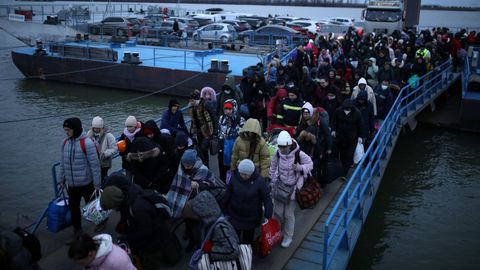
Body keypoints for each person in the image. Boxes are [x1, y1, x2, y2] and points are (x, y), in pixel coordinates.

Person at [101, 174, 181, 269]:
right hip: (155, 235)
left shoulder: (137, 208)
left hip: (153, 241)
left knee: (151, 263)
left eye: (112, 207)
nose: (113, 210)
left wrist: (127, 237)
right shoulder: (130, 195)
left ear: (115, 203)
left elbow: (146, 232)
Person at [166, 149, 217, 251]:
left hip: (197, 201)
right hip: (184, 202)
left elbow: (212, 183)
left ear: (194, 163)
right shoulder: (181, 167)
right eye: (185, 164)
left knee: (196, 226)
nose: (186, 167)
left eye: (189, 165)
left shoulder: (202, 169)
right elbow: (178, 183)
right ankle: (192, 243)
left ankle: (199, 246)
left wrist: (199, 185)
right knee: (188, 223)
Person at [269, 131, 313, 248]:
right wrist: (273, 181)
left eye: (283, 147)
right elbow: (272, 167)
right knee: (277, 212)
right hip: (280, 186)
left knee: (288, 214)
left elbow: (310, 164)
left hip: (293, 188)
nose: (281, 149)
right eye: (280, 146)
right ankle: (277, 232)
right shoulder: (277, 154)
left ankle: (288, 236)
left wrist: (299, 167)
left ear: (289, 144)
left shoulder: (299, 154)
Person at [60, 117, 101, 242]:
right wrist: (61, 179)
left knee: (93, 207)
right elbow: (63, 163)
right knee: (74, 209)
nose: (66, 132)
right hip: (72, 185)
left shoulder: (87, 143)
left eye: (68, 130)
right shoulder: (65, 143)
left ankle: (101, 222)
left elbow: (95, 165)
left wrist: (97, 184)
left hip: (86, 183)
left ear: (75, 129)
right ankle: (77, 232)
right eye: (65, 130)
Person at [222, 159, 273, 244]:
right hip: (235, 215)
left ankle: (247, 254)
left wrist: (268, 214)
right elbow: (228, 193)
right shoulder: (234, 178)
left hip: (251, 218)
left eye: (246, 174)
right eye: (242, 173)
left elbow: (267, 198)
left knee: (247, 241)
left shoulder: (259, 181)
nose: (243, 176)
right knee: (235, 240)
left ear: (251, 173)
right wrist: (223, 207)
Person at [192, 191, 240, 262]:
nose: (196, 215)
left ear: (203, 211)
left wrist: (210, 249)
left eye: (198, 212)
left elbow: (233, 251)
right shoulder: (209, 222)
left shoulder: (220, 227)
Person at [331, 99, 367, 175]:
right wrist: (333, 130)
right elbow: (334, 121)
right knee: (337, 154)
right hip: (339, 137)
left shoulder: (357, 113)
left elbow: (361, 125)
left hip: (351, 139)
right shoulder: (338, 111)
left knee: (348, 156)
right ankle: (337, 169)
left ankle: (344, 173)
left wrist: (360, 136)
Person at [68, 233, 136, 270]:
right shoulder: (90, 260)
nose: (82, 266)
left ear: (90, 254)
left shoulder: (118, 260)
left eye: (82, 263)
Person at [217, 99, 245, 181]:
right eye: (226, 109)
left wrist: (233, 127)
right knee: (222, 169)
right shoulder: (221, 118)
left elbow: (243, 133)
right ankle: (223, 184)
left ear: (234, 108)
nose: (227, 111)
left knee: (234, 168)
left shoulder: (240, 119)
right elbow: (219, 131)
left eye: (229, 109)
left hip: (234, 147)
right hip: (223, 147)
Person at [87, 116, 118, 184]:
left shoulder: (108, 135)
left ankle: (103, 192)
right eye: (94, 128)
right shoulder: (89, 134)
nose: (95, 130)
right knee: (94, 179)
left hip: (104, 163)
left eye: (97, 128)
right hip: (93, 162)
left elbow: (115, 148)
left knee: (103, 179)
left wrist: (105, 154)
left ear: (101, 127)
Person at [189, 90, 217, 166]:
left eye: (192, 100)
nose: (191, 102)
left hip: (208, 131)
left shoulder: (206, 104)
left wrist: (215, 132)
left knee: (203, 148)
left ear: (196, 99)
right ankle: (205, 165)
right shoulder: (193, 107)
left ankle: (205, 165)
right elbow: (193, 120)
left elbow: (214, 117)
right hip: (199, 131)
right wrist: (191, 132)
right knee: (203, 151)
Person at [119, 116, 143, 180]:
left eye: (130, 126)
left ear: (135, 126)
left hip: (138, 163)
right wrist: (121, 150)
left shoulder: (140, 134)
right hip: (128, 163)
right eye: (127, 126)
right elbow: (120, 146)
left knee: (138, 181)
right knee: (128, 180)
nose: (128, 129)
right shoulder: (124, 134)